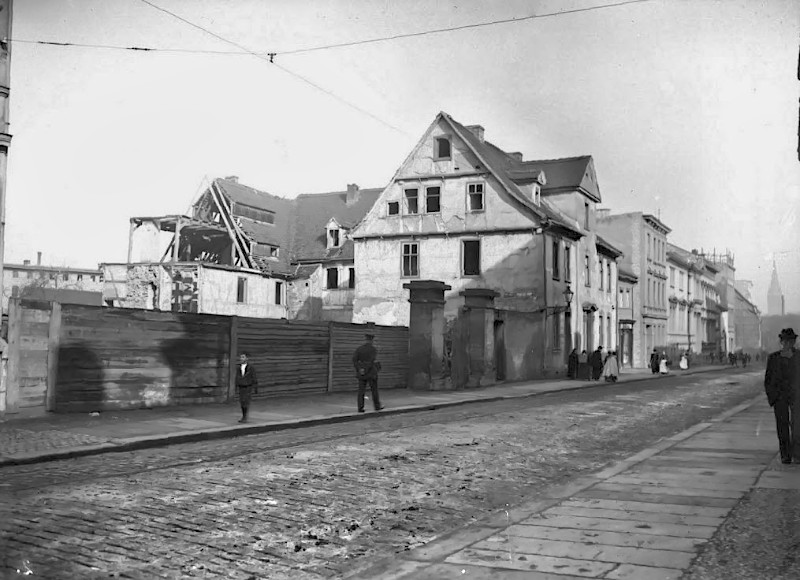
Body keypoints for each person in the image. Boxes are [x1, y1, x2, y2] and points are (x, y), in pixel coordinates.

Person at [764, 328, 800, 464]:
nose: (788, 344)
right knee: (782, 426)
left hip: (796, 396)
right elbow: (768, 379)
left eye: (790, 341)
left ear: (794, 342)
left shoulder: (799, 357)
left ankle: (797, 453)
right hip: (780, 397)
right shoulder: (773, 358)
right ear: (781, 342)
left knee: (798, 426)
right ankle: (785, 454)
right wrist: (772, 397)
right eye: (785, 341)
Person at [353, 332, 384, 413]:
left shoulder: (359, 349)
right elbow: (372, 360)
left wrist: (359, 369)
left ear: (365, 339)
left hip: (362, 373)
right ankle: (377, 406)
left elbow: (354, 360)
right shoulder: (373, 349)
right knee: (374, 390)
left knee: (361, 391)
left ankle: (360, 408)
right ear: (372, 340)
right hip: (371, 373)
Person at [235, 352, 258, 423]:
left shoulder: (251, 367)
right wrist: (236, 385)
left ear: (247, 358)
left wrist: (255, 387)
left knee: (246, 401)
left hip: (248, 386)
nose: (241, 359)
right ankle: (243, 415)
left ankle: (245, 416)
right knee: (242, 401)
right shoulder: (239, 367)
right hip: (241, 386)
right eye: (241, 357)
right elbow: (237, 377)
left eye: (243, 357)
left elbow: (254, 377)